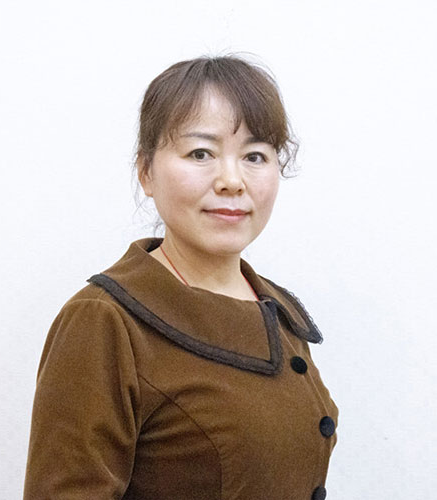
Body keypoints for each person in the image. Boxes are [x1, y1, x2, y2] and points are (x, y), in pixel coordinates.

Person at [23, 54, 339, 500]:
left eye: (254, 156)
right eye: (200, 153)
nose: (232, 181)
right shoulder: (104, 321)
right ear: (146, 172)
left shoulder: (277, 312)